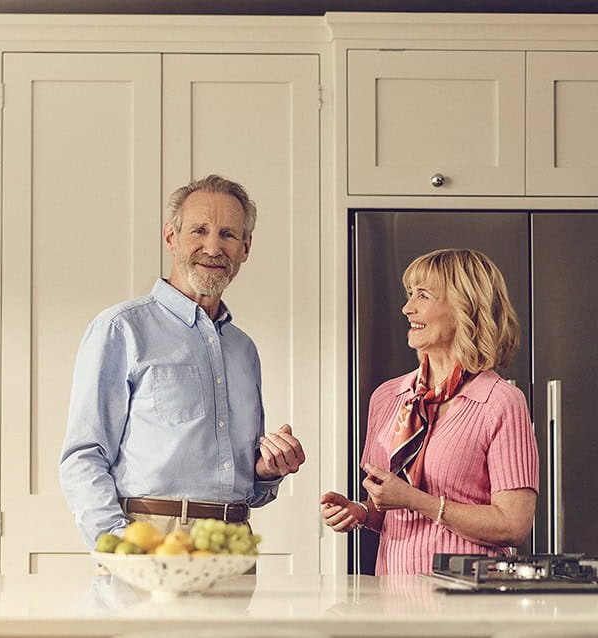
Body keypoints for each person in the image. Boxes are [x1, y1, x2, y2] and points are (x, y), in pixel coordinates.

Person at [59, 174, 305, 549]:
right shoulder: (121, 329)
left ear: (245, 248)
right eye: (199, 231)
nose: (213, 247)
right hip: (150, 536)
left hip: (234, 540)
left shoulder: (243, 349)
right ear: (171, 238)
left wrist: (266, 471)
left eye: (228, 234)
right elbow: (83, 456)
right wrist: (121, 544)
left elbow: (250, 486)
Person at [319, 248, 538, 575]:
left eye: (423, 295)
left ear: (465, 307)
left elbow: (513, 525)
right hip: (394, 594)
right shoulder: (388, 397)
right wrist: (361, 511)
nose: (408, 308)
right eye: (409, 295)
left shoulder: (500, 401)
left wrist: (415, 500)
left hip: (468, 601)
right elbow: (388, 505)